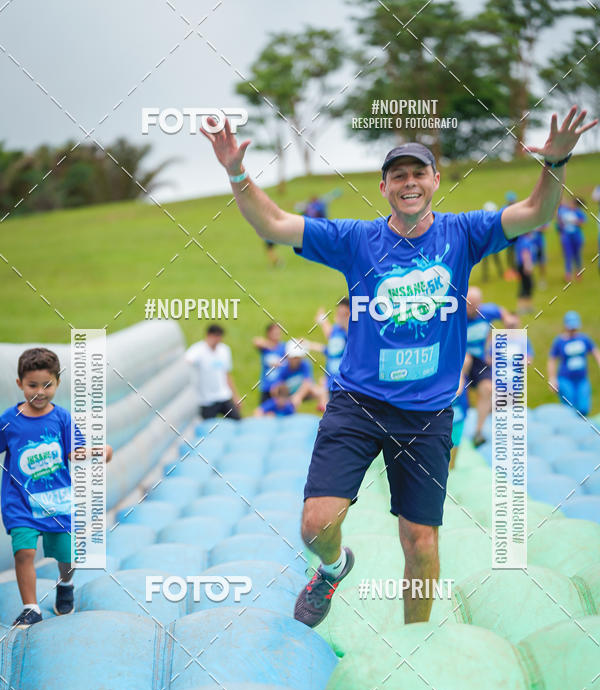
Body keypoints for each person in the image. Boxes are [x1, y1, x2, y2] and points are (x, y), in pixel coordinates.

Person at [201, 104, 597, 628]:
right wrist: (234, 169)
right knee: (316, 525)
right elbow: (273, 223)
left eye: (418, 173)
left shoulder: (465, 233)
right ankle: (334, 569)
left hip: (427, 414)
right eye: (397, 176)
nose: (409, 182)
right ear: (385, 188)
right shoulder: (355, 240)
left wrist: (557, 161)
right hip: (358, 404)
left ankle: (416, 647)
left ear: (434, 180)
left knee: (421, 543)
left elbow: (536, 214)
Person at [0, 348, 113, 628]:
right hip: (21, 502)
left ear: (57, 384)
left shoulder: (61, 418)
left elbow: (75, 451)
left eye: (47, 385)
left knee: (67, 556)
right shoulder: (8, 421)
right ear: (19, 385)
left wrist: (99, 451)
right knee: (24, 552)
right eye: (32, 385)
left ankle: (66, 584)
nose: (40, 392)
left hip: (57, 501)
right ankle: (31, 607)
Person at [464, 286, 518, 446]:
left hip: (480, 360)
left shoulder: (487, 312)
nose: (470, 308)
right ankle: (462, 403)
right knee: (465, 362)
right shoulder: (456, 314)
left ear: (479, 304)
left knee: (488, 389)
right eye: (467, 304)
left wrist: (508, 319)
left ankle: (478, 432)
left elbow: (501, 311)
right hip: (461, 359)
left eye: (473, 304)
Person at [548, 311, 600, 416]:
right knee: (569, 408)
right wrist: (552, 378)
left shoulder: (584, 339)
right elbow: (552, 360)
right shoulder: (559, 341)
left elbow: (595, 351)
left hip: (581, 379)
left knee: (584, 408)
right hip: (565, 379)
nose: (573, 330)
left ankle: (581, 428)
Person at [185, 324, 242, 420]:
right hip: (207, 400)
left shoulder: (224, 350)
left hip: (223, 395)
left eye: (219, 337)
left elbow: (227, 374)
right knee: (208, 428)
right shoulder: (198, 350)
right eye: (215, 336)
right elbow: (187, 361)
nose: (217, 340)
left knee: (237, 421)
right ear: (208, 335)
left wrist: (235, 396)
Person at [313, 297, 350, 405]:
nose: (340, 317)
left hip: (344, 383)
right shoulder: (336, 330)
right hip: (331, 381)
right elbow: (330, 339)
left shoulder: (352, 332)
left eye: (344, 314)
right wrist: (322, 321)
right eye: (339, 313)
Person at [270, 340, 326, 409]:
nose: (296, 360)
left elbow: (307, 382)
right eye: (294, 358)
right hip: (289, 393)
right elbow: (276, 387)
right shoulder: (284, 368)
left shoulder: (305, 364)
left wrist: (298, 396)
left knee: (321, 392)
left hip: (305, 391)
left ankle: (323, 408)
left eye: (298, 357)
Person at [556, 194, 587, 281]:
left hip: (576, 236)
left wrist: (576, 222)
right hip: (566, 237)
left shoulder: (578, 212)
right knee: (568, 256)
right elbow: (559, 223)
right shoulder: (562, 211)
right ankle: (568, 275)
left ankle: (578, 274)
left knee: (577, 255)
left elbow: (583, 222)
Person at [252, 322, 285, 402]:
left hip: (280, 387)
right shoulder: (265, 348)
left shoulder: (283, 347)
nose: (277, 335)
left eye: (278, 333)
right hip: (266, 386)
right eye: (274, 333)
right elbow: (256, 341)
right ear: (268, 333)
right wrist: (271, 345)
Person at [514, 230, 536, 314]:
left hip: (522, 265)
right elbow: (525, 254)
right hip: (524, 266)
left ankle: (528, 306)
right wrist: (528, 266)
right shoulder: (525, 241)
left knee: (528, 286)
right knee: (525, 286)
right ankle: (521, 307)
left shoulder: (521, 240)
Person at [481, 202, 504, 281]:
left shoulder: (488, 221)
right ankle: (486, 275)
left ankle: (500, 272)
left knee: (494, 259)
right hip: (488, 243)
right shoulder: (485, 222)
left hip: (490, 243)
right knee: (487, 260)